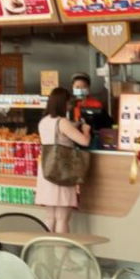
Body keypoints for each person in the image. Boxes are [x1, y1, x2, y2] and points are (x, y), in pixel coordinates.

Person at [37, 86, 92, 234]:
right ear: (63, 103)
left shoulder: (43, 122)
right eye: (68, 103)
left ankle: (46, 252)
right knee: (62, 217)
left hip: (46, 169)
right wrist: (86, 130)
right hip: (61, 170)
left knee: (49, 217)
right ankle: (62, 253)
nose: (69, 105)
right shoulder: (62, 122)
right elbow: (84, 141)